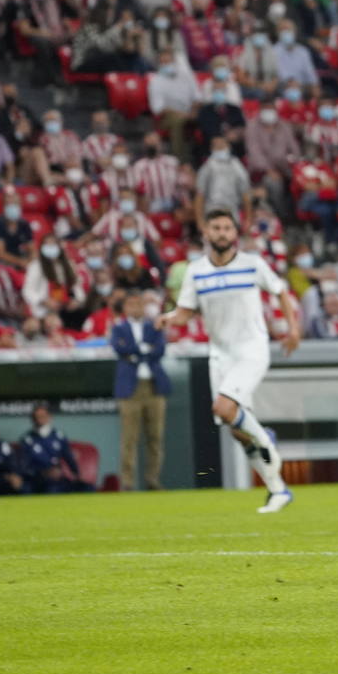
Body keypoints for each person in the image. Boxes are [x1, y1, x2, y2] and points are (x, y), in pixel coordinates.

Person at [157, 209, 302, 513]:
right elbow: (184, 313)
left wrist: (293, 329)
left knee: (224, 408)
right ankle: (278, 490)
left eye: (227, 228)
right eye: (216, 228)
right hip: (219, 354)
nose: (222, 233)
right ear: (206, 233)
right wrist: (168, 319)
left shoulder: (252, 264)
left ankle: (267, 442)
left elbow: (280, 291)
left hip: (251, 348)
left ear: (235, 233)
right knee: (236, 428)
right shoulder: (196, 271)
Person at [112, 290, 170, 491]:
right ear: (125, 307)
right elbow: (119, 348)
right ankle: (127, 482)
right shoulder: (119, 328)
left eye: (139, 304)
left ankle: (152, 480)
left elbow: (160, 349)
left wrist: (135, 352)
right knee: (129, 438)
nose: (135, 308)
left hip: (153, 386)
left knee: (155, 436)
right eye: (131, 304)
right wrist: (144, 349)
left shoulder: (154, 325)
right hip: (130, 389)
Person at [17, 403, 93, 494]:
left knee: (87, 488)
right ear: (33, 419)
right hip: (38, 480)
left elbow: (69, 458)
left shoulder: (59, 436)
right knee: (51, 488)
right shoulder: (27, 440)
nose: (40, 419)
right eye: (36, 417)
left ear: (49, 417)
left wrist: (77, 474)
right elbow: (24, 467)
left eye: (43, 416)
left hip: (58, 478)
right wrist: (43, 473)